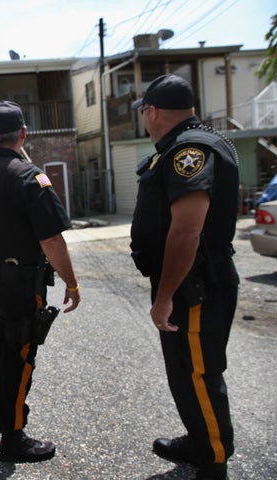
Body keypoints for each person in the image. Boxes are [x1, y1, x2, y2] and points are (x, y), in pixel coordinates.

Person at [130, 74, 239, 480]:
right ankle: (199, 439)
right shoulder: (182, 145)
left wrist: (164, 297)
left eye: (144, 111)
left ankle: (213, 462)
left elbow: (188, 230)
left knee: (198, 372)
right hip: (188, 283)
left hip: (195, 286)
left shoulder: (190, 150)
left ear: (152, 112)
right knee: (184, 372)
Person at [0, 100, 81, 463]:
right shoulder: (30, 176)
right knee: (19, 355)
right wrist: (72, 283)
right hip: (19, 285)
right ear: (23, 134)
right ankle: (14, 437)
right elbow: (51, 240)